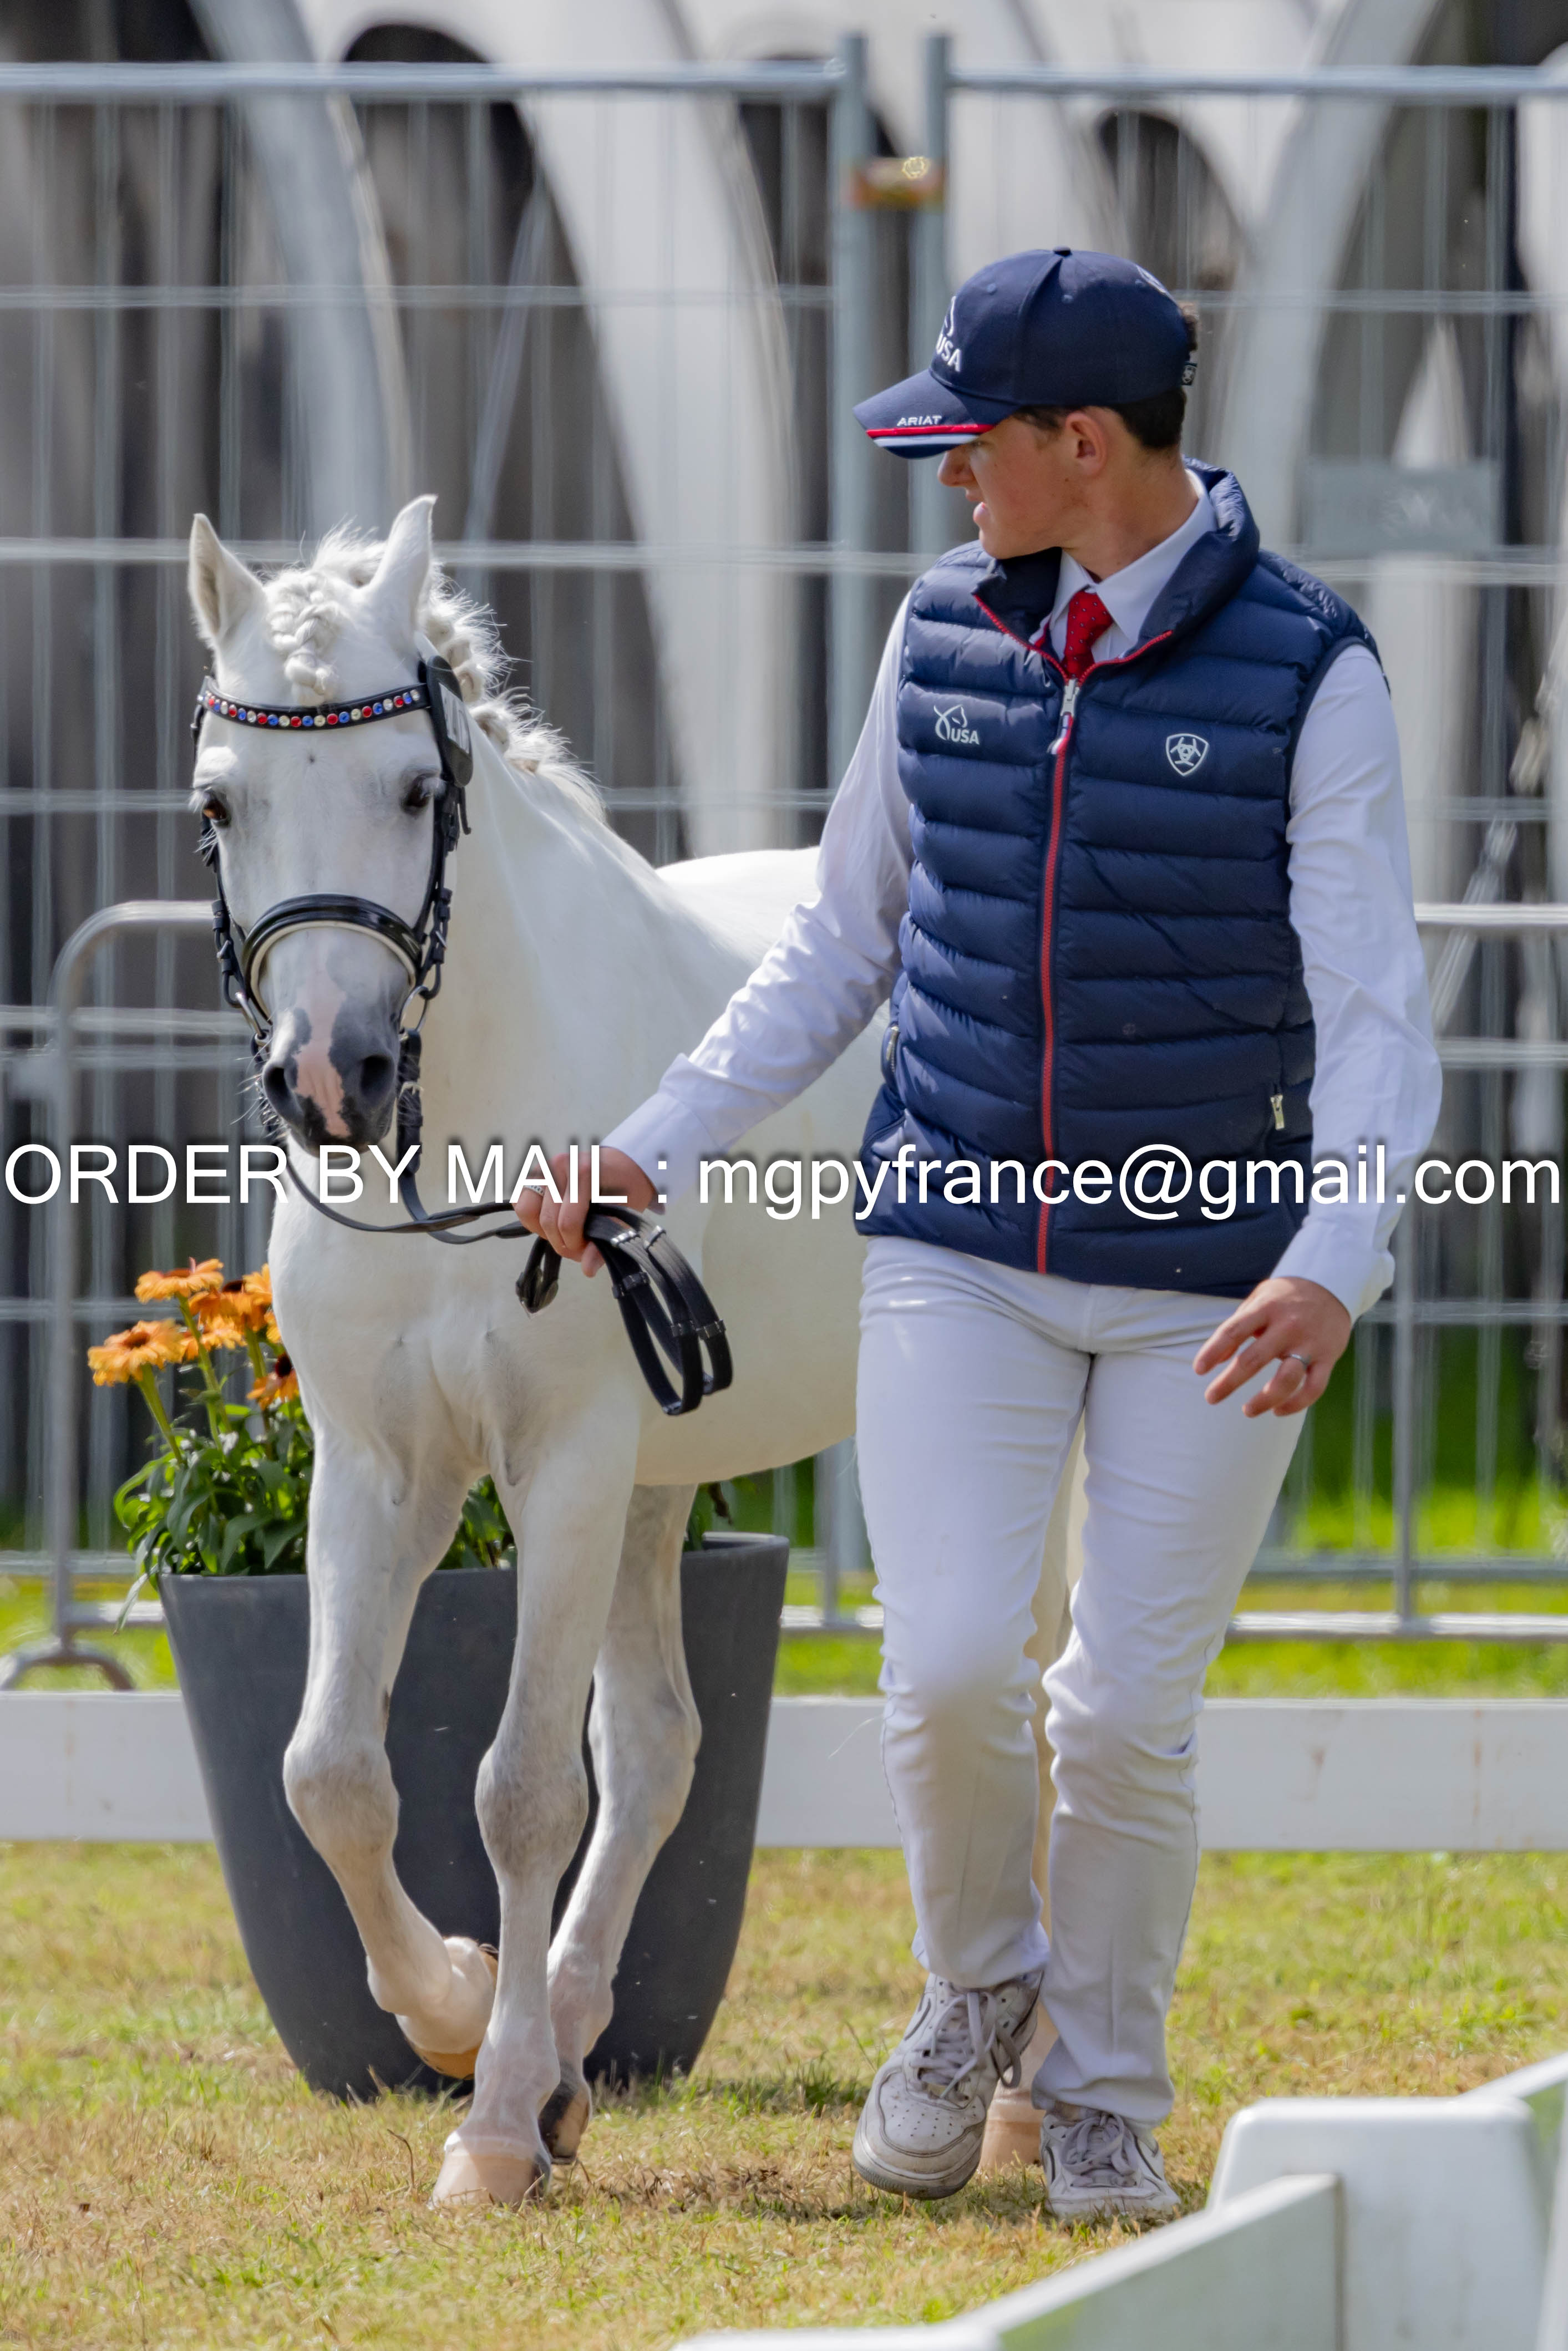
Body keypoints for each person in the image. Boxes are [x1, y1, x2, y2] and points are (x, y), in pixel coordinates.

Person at [517, 249, 1441, 2218]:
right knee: (943, 1666)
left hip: (1215, 1276)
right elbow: (833, 948)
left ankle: (1099, 2094)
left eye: (969, 443)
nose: (947, 479)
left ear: (1079, 444)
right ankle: (972, 1996)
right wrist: (645, 1147)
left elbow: (1375, 1014)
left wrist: (1331, 1262)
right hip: (954, 1238)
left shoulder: (1314, 669)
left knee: (1121, 1713)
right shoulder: (940, 630)